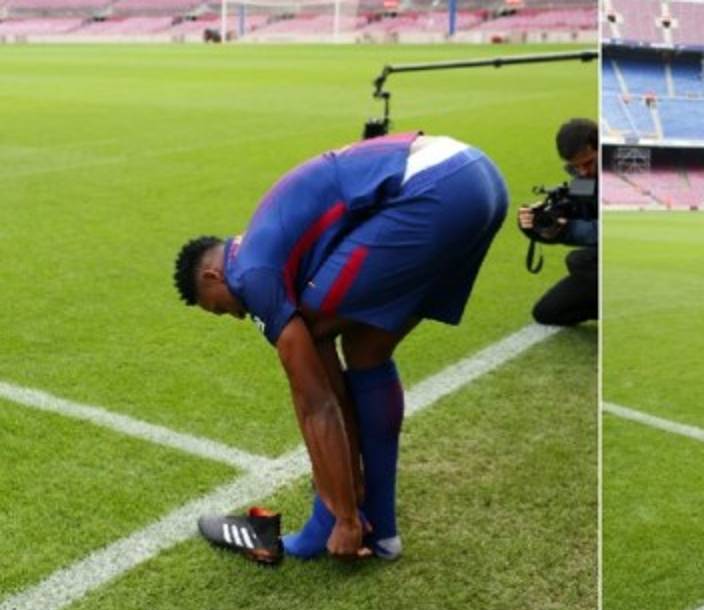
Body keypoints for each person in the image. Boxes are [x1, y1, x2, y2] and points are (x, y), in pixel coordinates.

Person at [175, 131, 507, 561]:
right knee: (366, 350)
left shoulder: (251, 275)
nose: (236, 316)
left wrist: (345, 514)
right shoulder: (264, 245)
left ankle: (337, 521)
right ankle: (382, 533)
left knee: (312, 336)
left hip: (435, 188)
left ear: (212, 277)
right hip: (480, 178)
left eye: (220, 309)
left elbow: (316, 403)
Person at [518, 118, 598, 326]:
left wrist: (567, 230)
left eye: (588, 163)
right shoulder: (583, 181)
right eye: (574, 167)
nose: (582, 172)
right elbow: (568, 213)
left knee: (581, 261)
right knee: (548, 313)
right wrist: (536, 224)